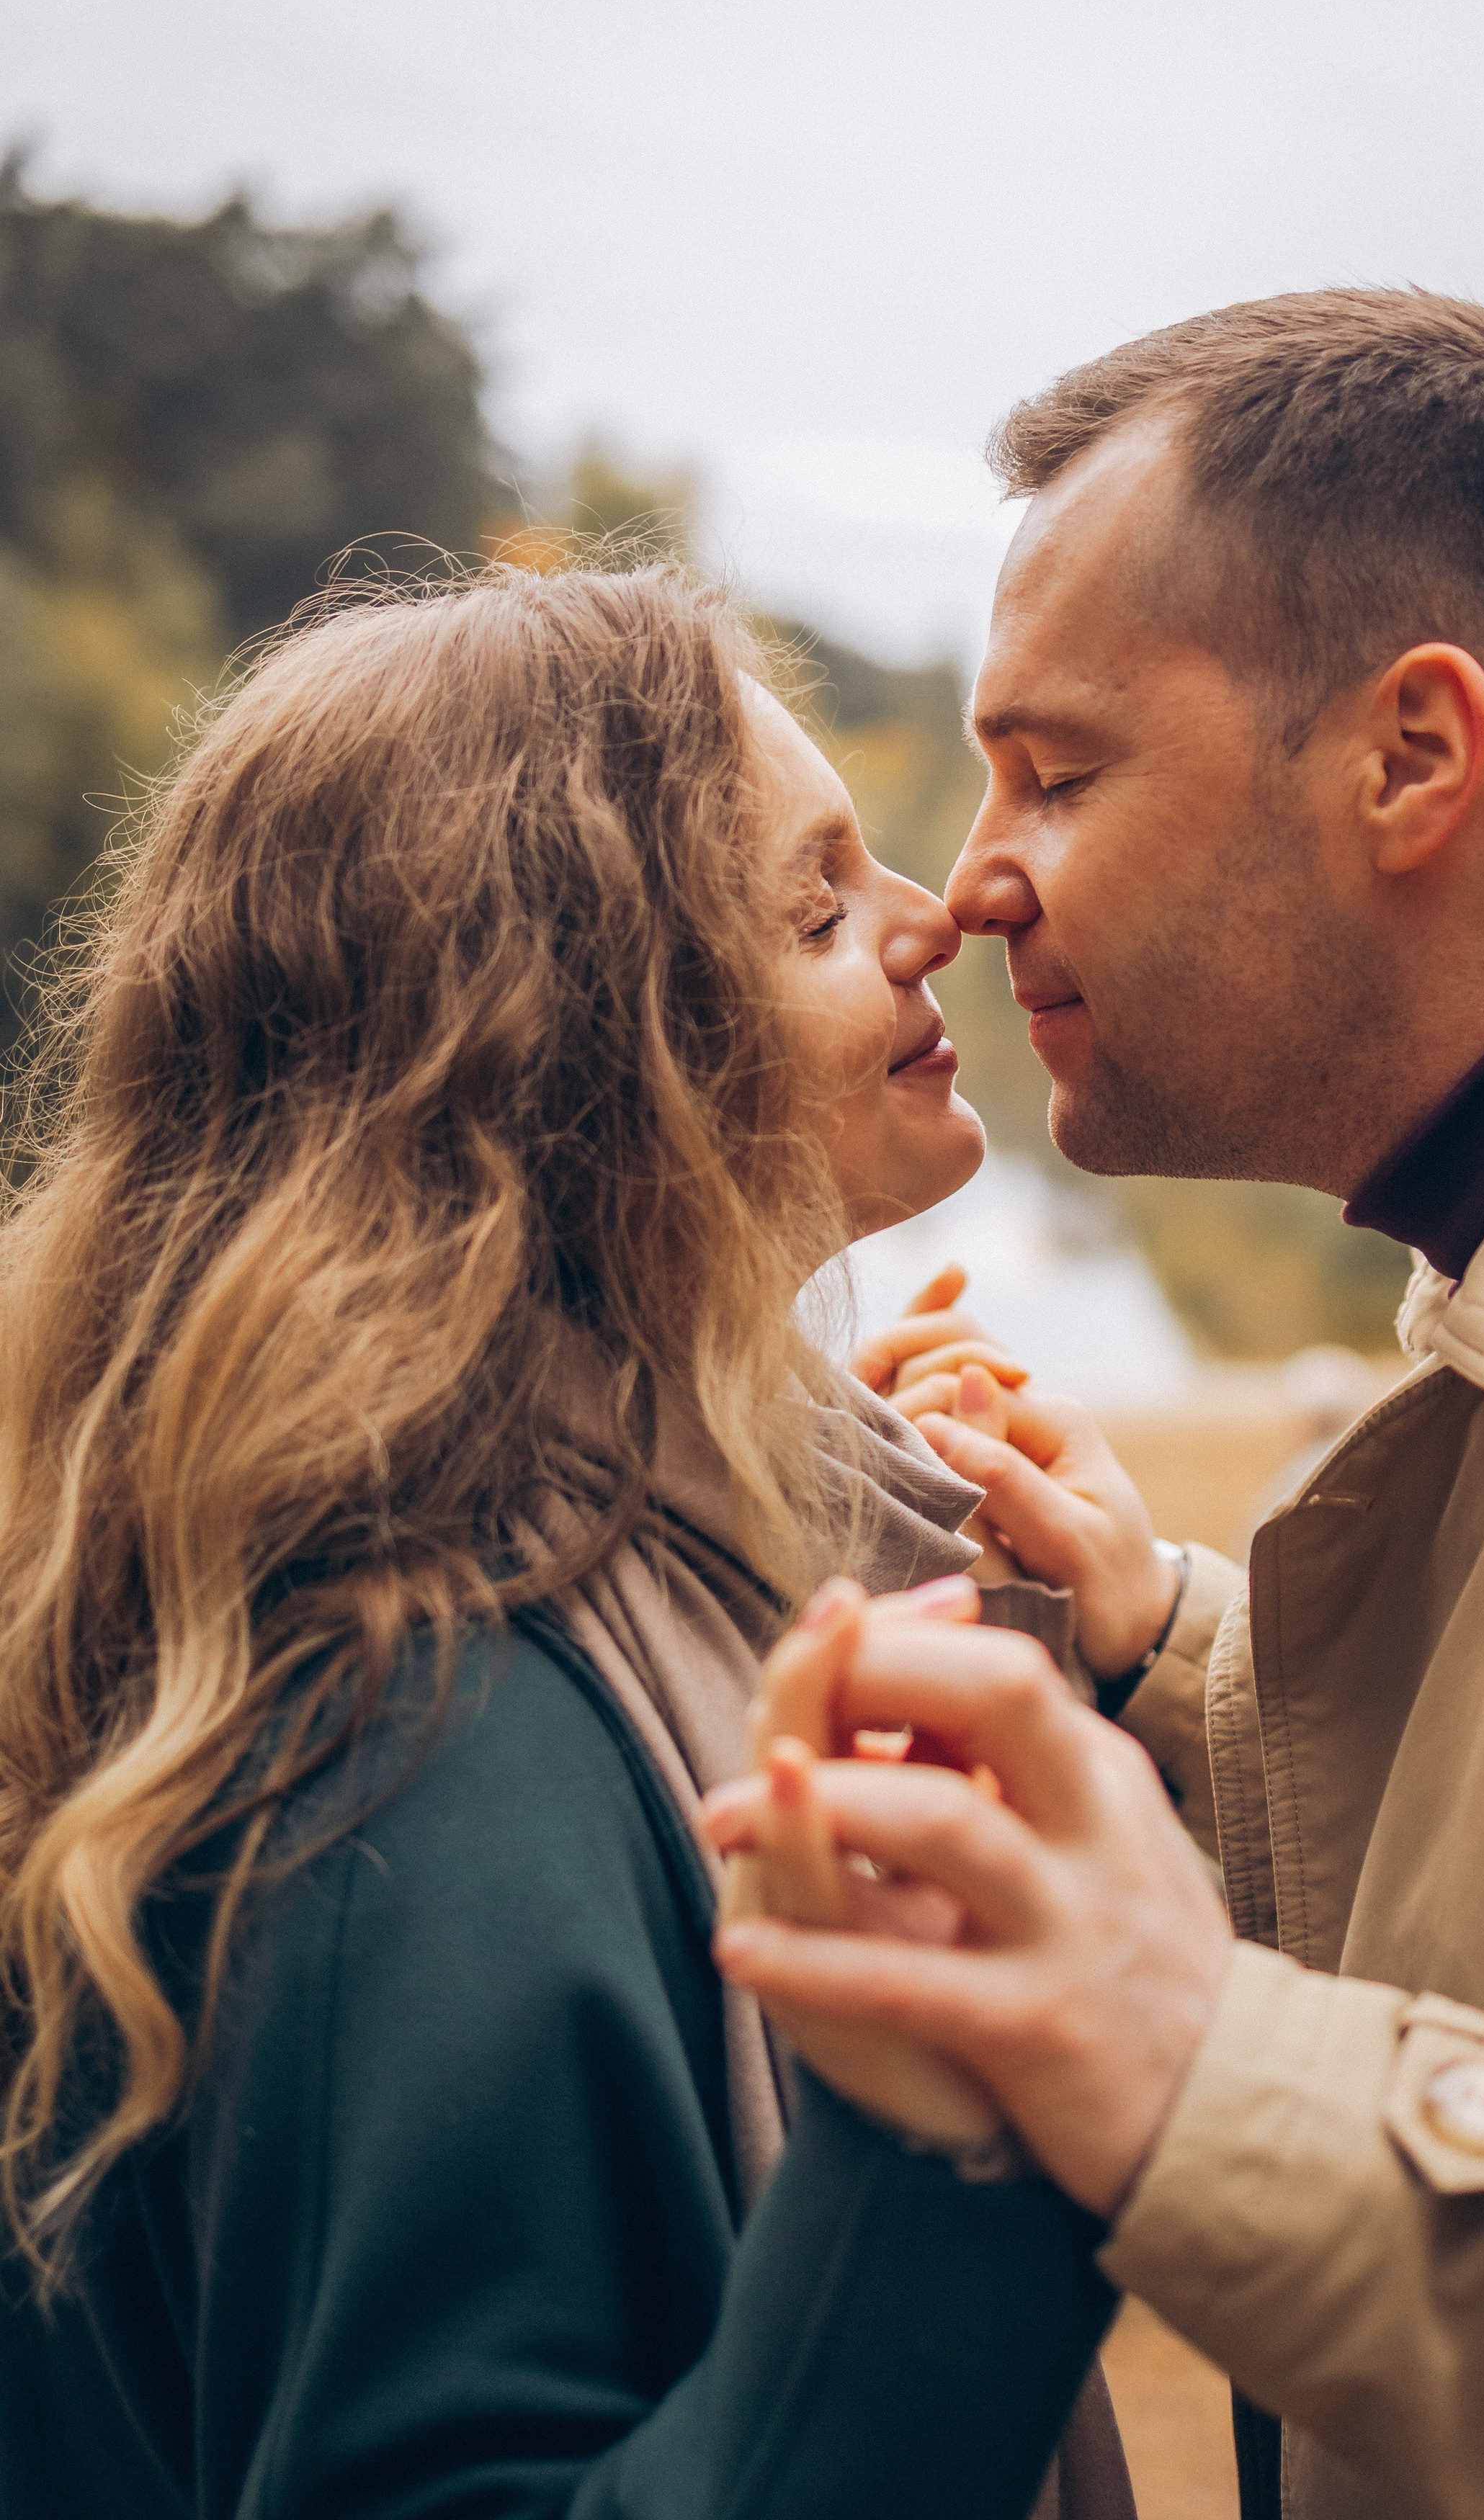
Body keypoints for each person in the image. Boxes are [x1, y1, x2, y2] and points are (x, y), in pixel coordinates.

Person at [707, 292, 1484, 2519]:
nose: (975, 881)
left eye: (1061, 767)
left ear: (1417, 754)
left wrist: (1204, 2076)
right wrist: (1173, 1667)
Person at [0, 561, 1140, 2520]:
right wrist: (966, 2148)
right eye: (813, 900)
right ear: (566, 1053)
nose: (930, 915)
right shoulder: (419, 1743)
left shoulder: (585, 1574)